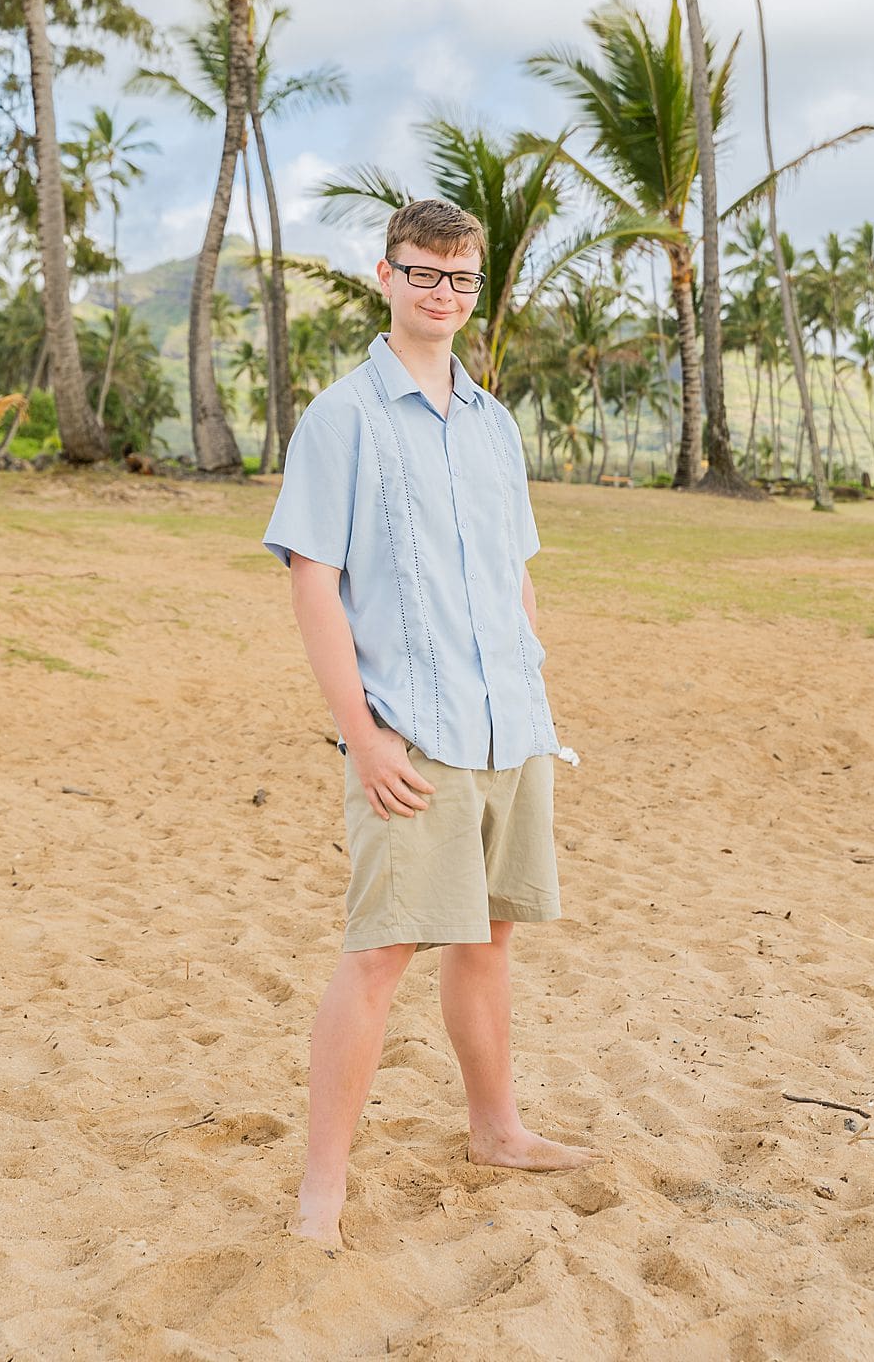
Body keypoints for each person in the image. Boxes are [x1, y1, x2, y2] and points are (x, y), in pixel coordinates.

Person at [262, 197, 598, 1250]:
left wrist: (539, 704)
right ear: (385, 276)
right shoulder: (344, 417)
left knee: (490, 942)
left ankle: (496, 1130)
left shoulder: (494, 425)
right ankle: (322, 1187)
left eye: (461, 280)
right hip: (414, 735)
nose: (443, 295)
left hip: (512, 726)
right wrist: (363, 737)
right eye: (424, 274)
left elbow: (516, 577)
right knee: (379, 952)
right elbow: (315, 583)